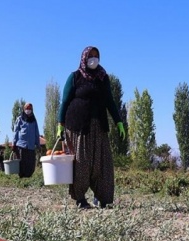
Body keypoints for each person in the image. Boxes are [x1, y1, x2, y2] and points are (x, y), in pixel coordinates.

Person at [57, 46, 125, 209]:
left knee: (103, 164)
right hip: (78, 126)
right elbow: (65, 102)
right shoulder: (75, 77)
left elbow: (110, 101)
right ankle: (80, 199)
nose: (93, 59)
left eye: (96, 56)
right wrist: (60, 124)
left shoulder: (103, 78)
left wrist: (118, 121)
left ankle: (102, 198)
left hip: (99, 126)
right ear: (84, 58)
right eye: (90, 56)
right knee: (82, 163)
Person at [12, 102, 41, 178]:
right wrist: (13, 143)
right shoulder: (20, 119)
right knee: (22, 162)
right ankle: (21, 177)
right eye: (26, 109)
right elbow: (16, 131)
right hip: (21, 145)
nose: (28, 110)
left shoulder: (34, 121)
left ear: (32, 110)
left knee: (30, 163)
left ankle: (29, 177)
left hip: (31, 146)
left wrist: (38, 144)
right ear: (24, 109)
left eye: (29, 109)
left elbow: (36, 133)